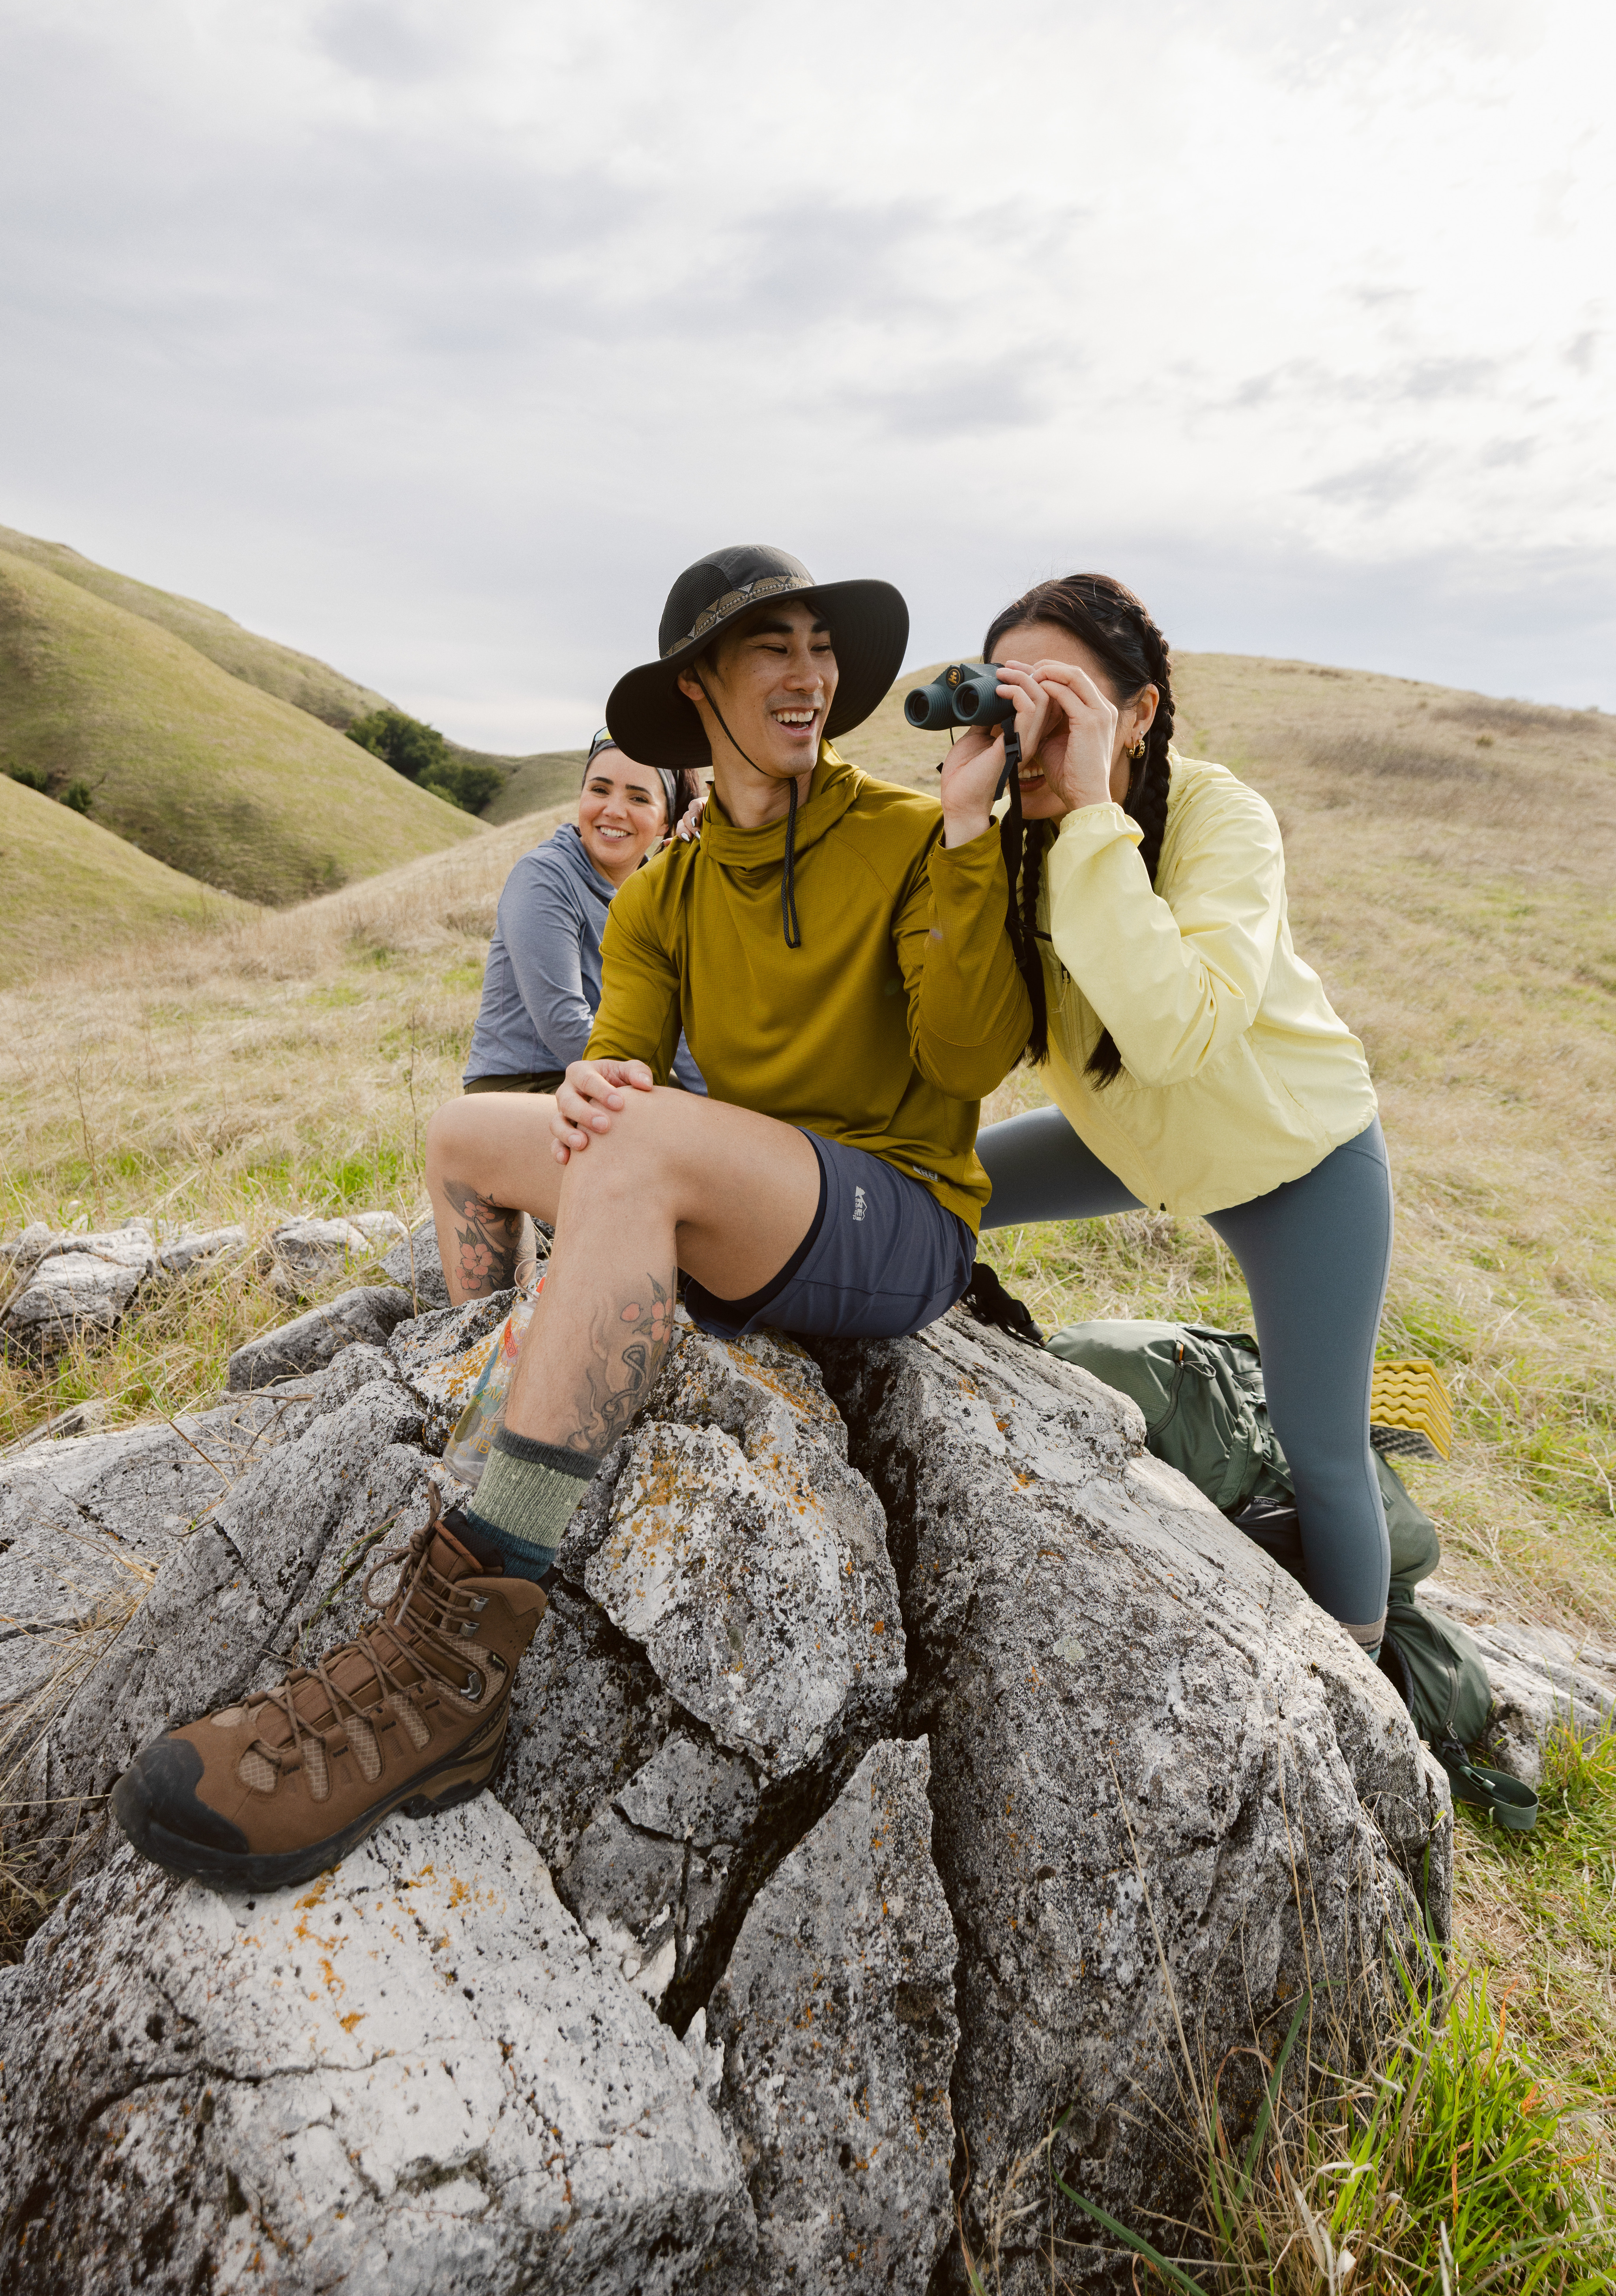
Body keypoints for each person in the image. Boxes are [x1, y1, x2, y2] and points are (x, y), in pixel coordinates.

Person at [111, 544, 1031, 1891]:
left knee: (638, 1153)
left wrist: (966, 836)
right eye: (769, 647)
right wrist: (599, 1080)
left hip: (891, 1217)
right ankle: (505, 1361)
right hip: (734, 1200)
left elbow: (967, 1057)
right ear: (696, 689)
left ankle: (460, 1645)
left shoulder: (906, 835)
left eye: (819, 646)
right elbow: (617, 1074)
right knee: (470, 1131)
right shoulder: (662, 888)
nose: (809, 672)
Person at [954, 572, 1392, 1660]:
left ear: (1138, 714)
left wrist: (1095, 813)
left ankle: (1366, 1691)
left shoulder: (1218, 816)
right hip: (1134, 1139)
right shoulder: (1012, 833)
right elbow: (960, 1035)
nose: (1039, 736)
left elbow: (1175, 1034)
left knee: (1321, 1443)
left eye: (1068, 706)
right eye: (1017, 702)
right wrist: (965, 835)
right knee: (935, 1189)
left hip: (1297, 1162)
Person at [463, 730, 705, 1098]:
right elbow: (563, 1021)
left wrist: (720, 1096)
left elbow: (681, 1031)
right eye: (600, 790)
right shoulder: (543, 876)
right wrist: (647, 1085)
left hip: (611, 1075)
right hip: (524, 1086)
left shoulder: (657, 897)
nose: (613, 810)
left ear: (665, 824)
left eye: (638, 797)